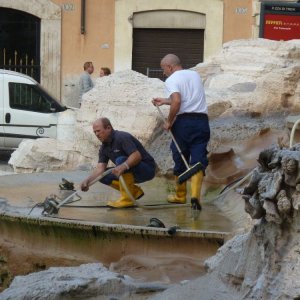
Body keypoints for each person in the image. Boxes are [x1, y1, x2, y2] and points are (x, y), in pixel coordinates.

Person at [152, 54, 210, 211]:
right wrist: (165, 100)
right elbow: (187, 98)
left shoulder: (171, 79)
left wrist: (169, 121)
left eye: (164, 69)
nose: (164, 73)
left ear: (170, 67)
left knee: (180, 156)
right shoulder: (194, 75)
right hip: (202, 121)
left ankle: (180, 195)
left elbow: (177, 100)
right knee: (198, 159)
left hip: (184, 122)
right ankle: (195, 198)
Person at [80, 118, 156, 208]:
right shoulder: (104, 148)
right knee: (102, 176)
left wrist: (123, 166)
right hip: (129, 172)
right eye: (95, 132)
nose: (97, 134)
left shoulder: (122, 137)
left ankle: (127, 200)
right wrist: (87, 181)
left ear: (108, 128)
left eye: (98, 131)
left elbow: (136, 156)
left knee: (120, 160)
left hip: (147, 170)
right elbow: (100, 169)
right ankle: (134, 192)